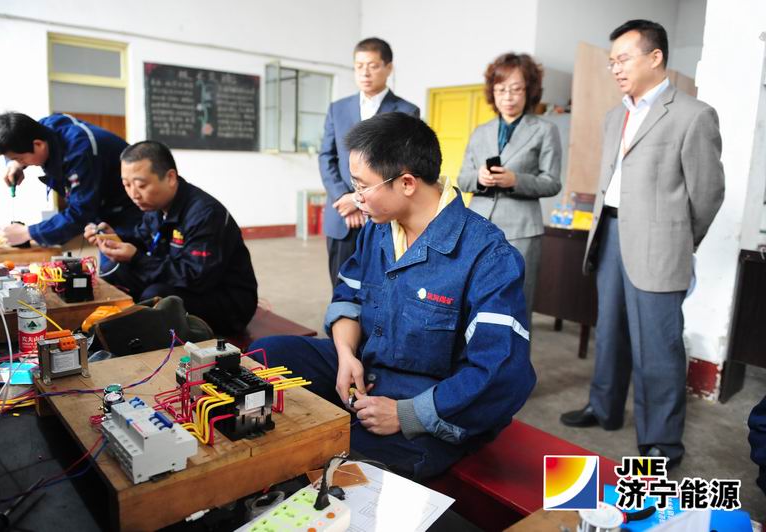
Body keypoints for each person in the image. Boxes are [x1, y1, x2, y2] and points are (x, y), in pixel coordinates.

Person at [250, 113, 535, 480]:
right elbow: (349, 296)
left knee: (342, 461)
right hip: (368, 369)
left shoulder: (488, 256)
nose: (356, 198)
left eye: (362, 186)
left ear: (407, 183)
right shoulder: (379, 229)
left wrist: (405, 414)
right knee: (269, 355)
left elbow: (501, 375)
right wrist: (345, 355)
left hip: (432, 399)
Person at [560, 20, 725, 469]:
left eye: (623, 59)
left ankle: (661, 442)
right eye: (611, 61)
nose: (615, 68)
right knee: (609, 332)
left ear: (655, 58)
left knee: (658, 347)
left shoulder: (693, 114)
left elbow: (708, 194)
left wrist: (678, 240)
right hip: (610, 235)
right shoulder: (615, 115)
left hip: (660, 246)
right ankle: (604, 408)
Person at [83, 141, 257, 334]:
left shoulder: (205, 214)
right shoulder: (155, 206)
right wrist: (114, 238)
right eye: (127, 185)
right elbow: (143, 240)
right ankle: (102, 326)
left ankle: (138, 335)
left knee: (157, 297)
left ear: (170, 178)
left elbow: (197, 278)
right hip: (188, 282)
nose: (133, 194)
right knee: (115, 273)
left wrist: (136, 258)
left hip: (227, 303)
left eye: (141, 185)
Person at [458, 53, 562, 322]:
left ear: (529, 91)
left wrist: (515, 180)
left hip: (522, 230)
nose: (508, 97)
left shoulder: (545, 130)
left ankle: (514, 352)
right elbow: (463, 179)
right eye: (501, 90)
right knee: (473, 297)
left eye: (516, 89)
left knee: (517, 303)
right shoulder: (480, 131)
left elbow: (552, 183)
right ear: (492, 92)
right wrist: (480, 178)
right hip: (478, 226)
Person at [319, 37, 419, 288]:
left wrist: (357, 199)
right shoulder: (337, 109)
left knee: (383, 289)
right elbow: (326, 156)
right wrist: (343, 197)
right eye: (359, 66)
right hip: (342, 216)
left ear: (388, 68)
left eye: (373, 66)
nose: (365, 72)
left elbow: (404, 165)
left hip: (386, 216)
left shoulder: (406, 112)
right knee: (341, 289)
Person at [0, 112, 142, 247]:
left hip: (129, 212)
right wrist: (15, 163)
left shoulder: (80, 153)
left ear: (38, 145)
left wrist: (28, 233)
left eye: (20, 158)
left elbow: (80, 212)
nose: (20, 162)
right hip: (105, 209)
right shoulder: (43, 128)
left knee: (122, 265)